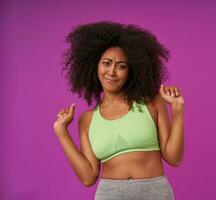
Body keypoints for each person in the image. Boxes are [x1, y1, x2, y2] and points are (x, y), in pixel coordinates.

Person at [53, 21, 184, 200]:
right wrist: (61, 132)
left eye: (121, 66)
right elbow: (88, 177)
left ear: (131, 71)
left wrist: (177, 109)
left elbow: (174, 158)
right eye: (106, 63)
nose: (112, 72)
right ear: (95, 66)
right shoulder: (87, 120)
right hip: (109, 194)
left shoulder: (152, 102)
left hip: (155, 192)